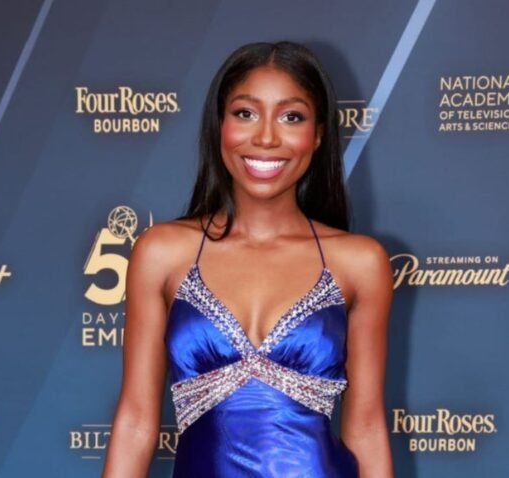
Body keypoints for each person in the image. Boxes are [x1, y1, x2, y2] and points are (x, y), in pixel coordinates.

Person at [103, 41, 394, 477]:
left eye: (291, 117)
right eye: (245, 113)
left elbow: (366, 428)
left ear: (318, 134)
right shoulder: (162, 253)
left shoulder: (359, 263)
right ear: (219, 126)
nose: (266, 137)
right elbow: (136, 423)